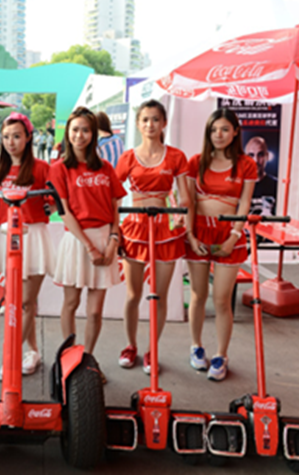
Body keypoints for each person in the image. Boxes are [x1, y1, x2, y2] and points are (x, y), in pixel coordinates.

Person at [49, 106, 126, 380]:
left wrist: (113, 240)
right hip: (77, 241)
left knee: (95, 311)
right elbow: (65, 213)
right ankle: (68, 359)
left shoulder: (106, 168)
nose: (79, 135)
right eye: (75, 130)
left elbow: (115, 207)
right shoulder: (59, 169)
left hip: (105, 239)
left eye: (85, 130)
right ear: (67, 134)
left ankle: (88, 363)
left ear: (93, 134)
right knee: (71, 303)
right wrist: (89, 247)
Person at [115, 100, 190, 374]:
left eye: (155, 119)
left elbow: (185, 196)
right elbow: (113, 194)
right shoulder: (127, 157)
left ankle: (152, 351)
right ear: (138, 124)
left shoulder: (176, 156)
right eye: (145, 119)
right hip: (135, 228)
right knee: (133, 294)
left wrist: (181, 215)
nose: (150, 125)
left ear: (164, 123)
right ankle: (130, 345)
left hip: (165, 230)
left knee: (158, 294)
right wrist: (114, 228)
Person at [185, 108, 256, 382]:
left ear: (235, 132)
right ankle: (196, 346)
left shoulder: (246, 164)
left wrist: (234, 237)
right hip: (200, 234)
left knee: (222, 299)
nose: (219, 135)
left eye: (225, 129)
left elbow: (245, 203)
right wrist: (191, 236)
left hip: (229, 235)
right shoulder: (196, 162)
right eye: (214, 130)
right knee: (198, 294)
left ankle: (221, 355)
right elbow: (189, 202)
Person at [0, 112, 54, 380]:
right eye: (6, 137)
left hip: (33, 235)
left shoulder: (41, 168)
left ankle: (12, 357)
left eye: (16, 136)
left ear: (28, 137)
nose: (11, 142)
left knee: (25, 301)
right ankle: (32, 351)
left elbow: (53, 201)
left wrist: (48, 207)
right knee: (17, 302)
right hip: (8, 236)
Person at [245, 136, 277, 216]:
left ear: (267, 156)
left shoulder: (277, 186)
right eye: (251, 155)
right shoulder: (238, 186)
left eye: (260, 154)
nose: (255, 160)